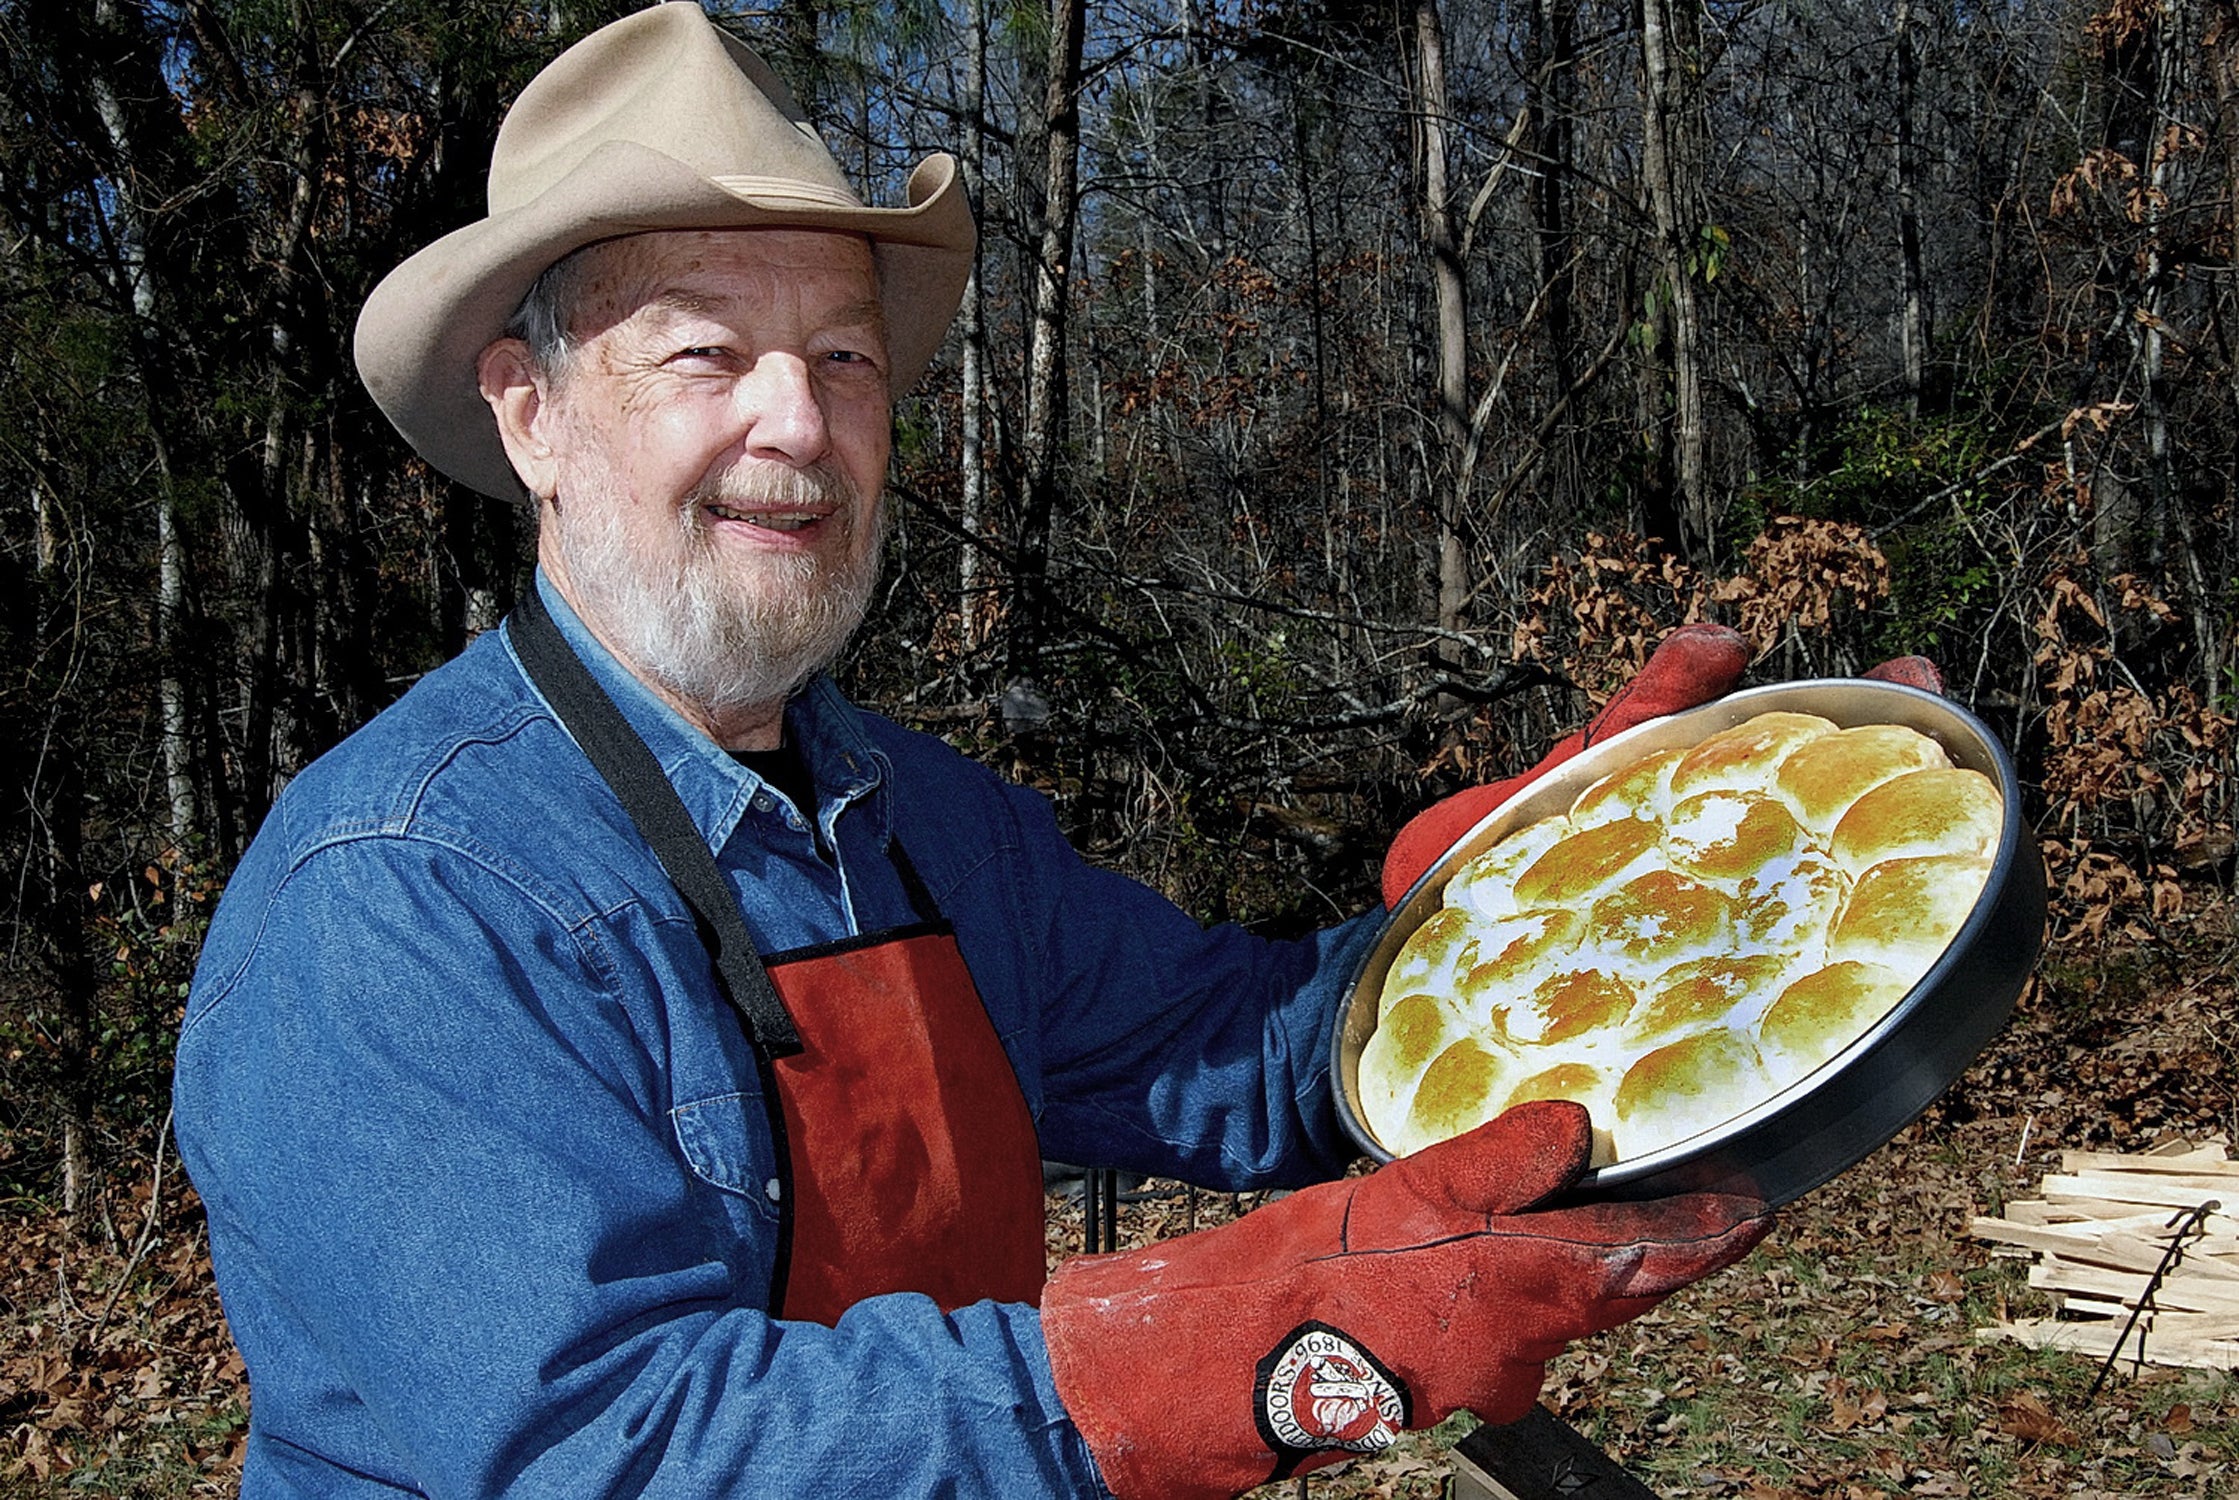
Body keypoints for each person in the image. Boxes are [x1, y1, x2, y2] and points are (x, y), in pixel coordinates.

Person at [172, 7, 1778, 1497]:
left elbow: (1254, 1058)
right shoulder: (401, 898)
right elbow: (618, 1449)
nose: (798, 423)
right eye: (703, 353)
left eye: (845, 357)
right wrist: (1215, 1347)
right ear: (529, 413)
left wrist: (1533, 911)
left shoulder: (920, 821)